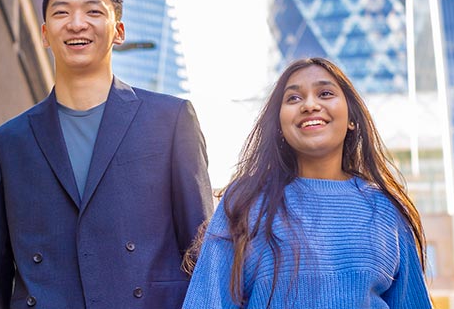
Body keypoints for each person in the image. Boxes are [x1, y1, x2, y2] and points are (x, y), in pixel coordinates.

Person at [0, 0, 214, 309]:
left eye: (93, 11)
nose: (77, 23)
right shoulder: (8, 143)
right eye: (61, 12)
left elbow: (204, 256)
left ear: (119, 30)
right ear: (44, 33)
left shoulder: (171, 120)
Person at [182, 57, 432, 308]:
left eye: (325, 93)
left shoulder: (388, 211)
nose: (310, 105)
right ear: (279, 125)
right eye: (293, 98)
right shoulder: (245, 202)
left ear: (352, 120)